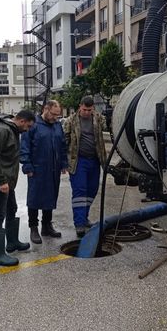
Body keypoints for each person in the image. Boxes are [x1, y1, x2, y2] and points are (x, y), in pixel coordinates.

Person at [0, 110, 35, 266]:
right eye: (28, 126)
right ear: (22, 121)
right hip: (0, 181)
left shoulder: (11, 130)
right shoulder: (1, 130)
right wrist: (1, 181)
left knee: (12, 208)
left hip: (8, 180)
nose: (27, 130)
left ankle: (12, 242)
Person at [20, 100, 68, 244]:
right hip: (37, 169)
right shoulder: (33, 125)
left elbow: (62, 145)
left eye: (58, 115)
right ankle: (33, 228)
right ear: (45, 109)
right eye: (53, 114)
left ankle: (47, 225)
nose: (55, 117)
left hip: (54, 168)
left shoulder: (58, 125)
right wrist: (27, 166)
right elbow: (24, 147)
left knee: (51, 196)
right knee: (34, 199)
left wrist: (64, 163)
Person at [63, 96, 108, 238]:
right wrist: (64, 162)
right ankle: (79, 224)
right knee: (80, 192)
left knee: (92, 190)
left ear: (93, 108)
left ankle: (85, 217)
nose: (87, 113)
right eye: (84, 110)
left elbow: (108, 128)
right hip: (78, 161)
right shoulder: (70, 121)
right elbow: (64, 141)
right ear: (79, 106)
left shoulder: (99, 119)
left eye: (89, 110)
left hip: (95, 160)